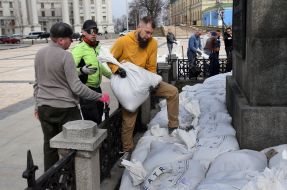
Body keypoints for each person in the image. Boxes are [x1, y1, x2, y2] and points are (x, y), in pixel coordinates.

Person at [33, 22, 109, 171]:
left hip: (44, 108)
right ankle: (75, 177)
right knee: (76, 143)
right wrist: (99, 96)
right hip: (65, 109)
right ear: (61, 40)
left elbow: (37, 84)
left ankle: (51, 180)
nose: (72, 41)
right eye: (69, 38)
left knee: (49, 145)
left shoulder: (39, 54)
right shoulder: (65, 56)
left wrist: (37, 105)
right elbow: (77, 87)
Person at [107, 16, 179, 161]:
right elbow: (109, 59)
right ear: (138, 27)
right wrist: (116, 69)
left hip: (145, 81)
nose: (148, 36)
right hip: (129, 84)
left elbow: (151, 66)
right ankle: (127, 151)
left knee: (173, 92)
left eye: (151, 33)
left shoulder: (152, 43)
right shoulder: (123, 41)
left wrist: (151, 81)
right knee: (129, 119)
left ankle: (173, 126)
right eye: (146, 32)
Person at [72, 20, 112, 125]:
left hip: (97, 89)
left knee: (99, 118)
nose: (93, 33)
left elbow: (99, 66)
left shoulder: (96, 47)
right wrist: (81, 70)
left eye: (95, 30)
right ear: (83, 32)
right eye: (90, 31)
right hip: (86, 90)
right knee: (92, 122)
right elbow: (69, 71)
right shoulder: (79, 49)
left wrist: (112, 76)